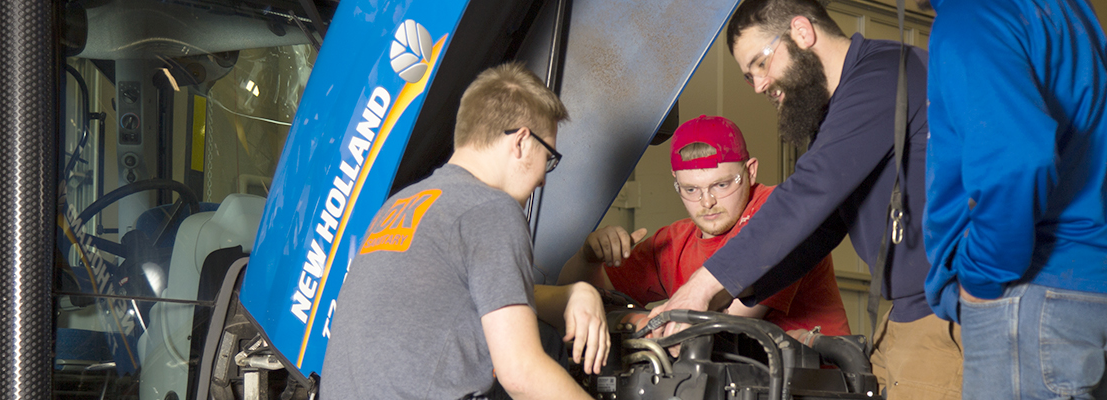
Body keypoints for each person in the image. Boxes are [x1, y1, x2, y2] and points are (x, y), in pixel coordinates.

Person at [648, 0, 963, 398]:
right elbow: (819, 229)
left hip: (943, 316)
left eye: (760, 64)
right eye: (749, 77)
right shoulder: (837, 110)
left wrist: (701, 286)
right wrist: (726, 301)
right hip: (905, 316)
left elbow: (809, 194)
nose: (760, 85)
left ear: (801, 31)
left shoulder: (885, 75)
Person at [322, 63, 606, 400]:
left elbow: (472, 296)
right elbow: (521, 374)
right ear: (521, 142)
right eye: (549, 158)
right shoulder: (491, 209)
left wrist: (576, 293)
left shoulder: (403, 204)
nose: (543, 178)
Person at [920, 0, 1107, 398]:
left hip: (1033, 291)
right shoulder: (1060, 8)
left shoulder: (970, 16)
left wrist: (981, 276)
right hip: (1099, 284)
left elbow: (1016, 156)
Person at [559, 115, 851, 339]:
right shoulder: (673, 242)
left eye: (721, 184)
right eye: (691, 190)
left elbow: (733, 323)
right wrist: (589, 258)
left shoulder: (777, 212)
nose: (707, 202)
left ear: (750, 172)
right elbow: (570, 296)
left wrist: (640, 322)